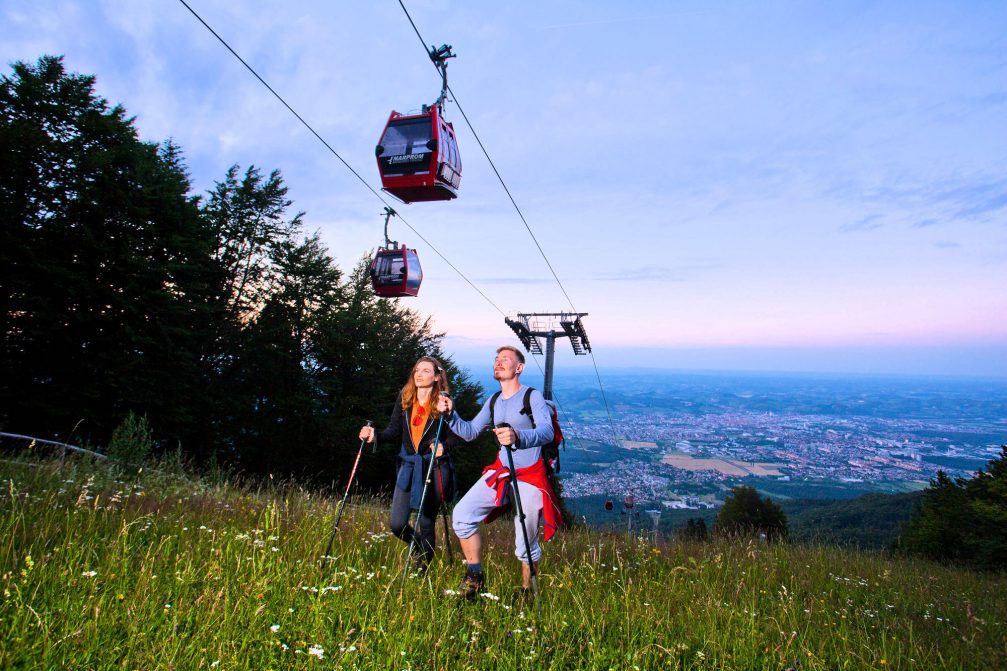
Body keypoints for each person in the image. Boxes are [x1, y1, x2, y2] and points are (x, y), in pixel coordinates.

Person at [437, 345, 562, 599]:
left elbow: (547, 432)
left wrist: (518, 436)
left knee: (525, 540)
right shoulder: (494, 400)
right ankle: (474, 580)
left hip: (530, 475)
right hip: (502, 471)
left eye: (506, 359)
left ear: (519, 368)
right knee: (462, 514)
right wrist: (451, 415)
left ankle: (527, 593)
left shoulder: (532, 396)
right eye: (496, 359)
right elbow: (470, 432)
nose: (499, 362)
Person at [359, 356, 456, 570]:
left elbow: (455, 435)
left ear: (437, 376)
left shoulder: (443, 401)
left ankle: (422, 571)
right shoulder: (405, 397)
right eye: (416, 370)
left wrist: (444, 447)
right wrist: (374, 436)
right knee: (397, 524)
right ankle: (419, 545)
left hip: (434, 467)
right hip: (409, 466)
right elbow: (394, 431)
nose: (419, 374)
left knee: (426, 522)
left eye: (425, 371)